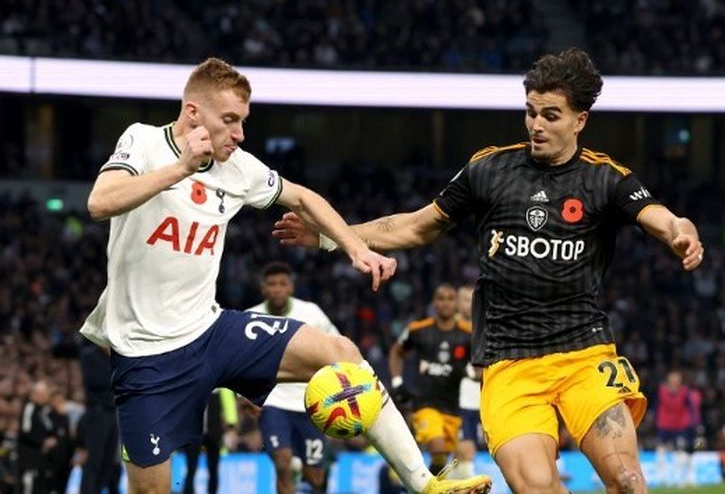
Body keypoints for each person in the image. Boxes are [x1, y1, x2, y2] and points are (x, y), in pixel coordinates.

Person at [273, 47, 705, 493]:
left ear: (580, 120)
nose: (537, 125)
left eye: (551, 115)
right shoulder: (489, 169)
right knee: (538, 488)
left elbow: (665, 218)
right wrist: (332, 234)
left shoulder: (605, 179)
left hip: (585, 354)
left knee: (629, 481)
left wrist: (681, 233)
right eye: (531, 112)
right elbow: (416, 227)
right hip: (508, 362)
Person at [81, 57, 491, 494]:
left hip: (210, 332)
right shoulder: (143, 142)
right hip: (146, 356)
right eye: (230, 120)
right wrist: (181, 168)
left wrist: (355, 248)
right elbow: (100, 202)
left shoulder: (237, 166)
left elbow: (303, 198)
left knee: (342, 352)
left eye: (243, 121)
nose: (239, 134)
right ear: (192, 112)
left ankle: (424, 483)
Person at [250, 261, 338, 494]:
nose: (277, 288)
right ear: (263, 289)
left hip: (312, 404)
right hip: (273, 403)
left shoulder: (311, 313)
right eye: (271, 284)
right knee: (282, 461)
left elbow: (336, 347)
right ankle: (292, 468)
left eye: (282, 284)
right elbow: (237, 363)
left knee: (315, 478)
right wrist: (245, 396)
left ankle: (301, 468)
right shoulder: (250, 319)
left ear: (291, 287)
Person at [389, 284, 472, 475]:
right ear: (434, 303)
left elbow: (479, 363)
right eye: (441, 299)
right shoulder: (419, 329)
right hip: (424, 404)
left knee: (444, 459)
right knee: (438, 447)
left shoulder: (468, 334)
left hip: (452, 408)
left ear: (457, 304)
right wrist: (397, 382)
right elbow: (396, 351)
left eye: (450, 298)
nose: (445, 303)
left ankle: (424, 487)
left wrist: (475, 374)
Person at [77, 340, 121, 494]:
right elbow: (98, 380)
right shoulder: (89, 355)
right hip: (98, 413)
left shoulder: (116, 357)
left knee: (108, 462)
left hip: (113, 413)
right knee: (93, 461)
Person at [452, 284, 484, 480]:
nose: (469, 303)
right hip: (460, 398)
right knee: (465, 447)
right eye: (464, 299)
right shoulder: (451, 329)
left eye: (472, 298)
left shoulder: (484, 326)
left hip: (484, 396)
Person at [181, 388, 237, 494]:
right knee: (191, 468)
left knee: (213, 469)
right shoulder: (193, 390)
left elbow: (228, 402)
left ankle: (212, 492)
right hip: (194, 434)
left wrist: (230, 425)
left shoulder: (218, 390)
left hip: (213, 434)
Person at [654, 370, 696, 486]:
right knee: (661, 450)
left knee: (681, 451)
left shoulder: (684, 392)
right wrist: (655, 421)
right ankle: (662, 478)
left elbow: (691, 408)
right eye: (672, 379)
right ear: (668, 381)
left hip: (680, 425)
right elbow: (656, 407)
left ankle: (680, 478)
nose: (674, 382)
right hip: (665, 425)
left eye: (676, 380)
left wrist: (693, 423)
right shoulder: (661, 391)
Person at [16, 381, 56, 494]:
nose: (46, 397)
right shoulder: (29, 407)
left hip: (41, 459)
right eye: (43, 394)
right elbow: (25, 431)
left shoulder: (44, 410)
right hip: (29, 459)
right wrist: (43, 441)